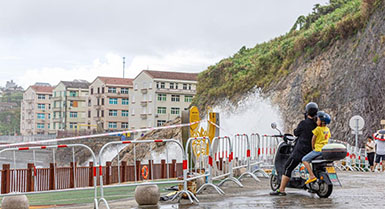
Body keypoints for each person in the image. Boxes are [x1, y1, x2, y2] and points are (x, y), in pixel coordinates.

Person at [270, 102, 318, 196]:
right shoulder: (316, 124)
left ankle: (281, 190)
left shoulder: (303, 123)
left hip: (300, 151)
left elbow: (296, 133)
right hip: (311, 150)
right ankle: (310, 185)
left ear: (307, 112)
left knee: (288, 167)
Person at [302, 111, 331, 184]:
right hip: (325, 150)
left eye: (317, 120)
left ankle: (312, 176)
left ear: (321, 122)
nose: (316, 121)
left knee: (304, 160)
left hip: (317, 150)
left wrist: (313, 148)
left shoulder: (317, 129)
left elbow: (313, 140)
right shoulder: (327, 129)